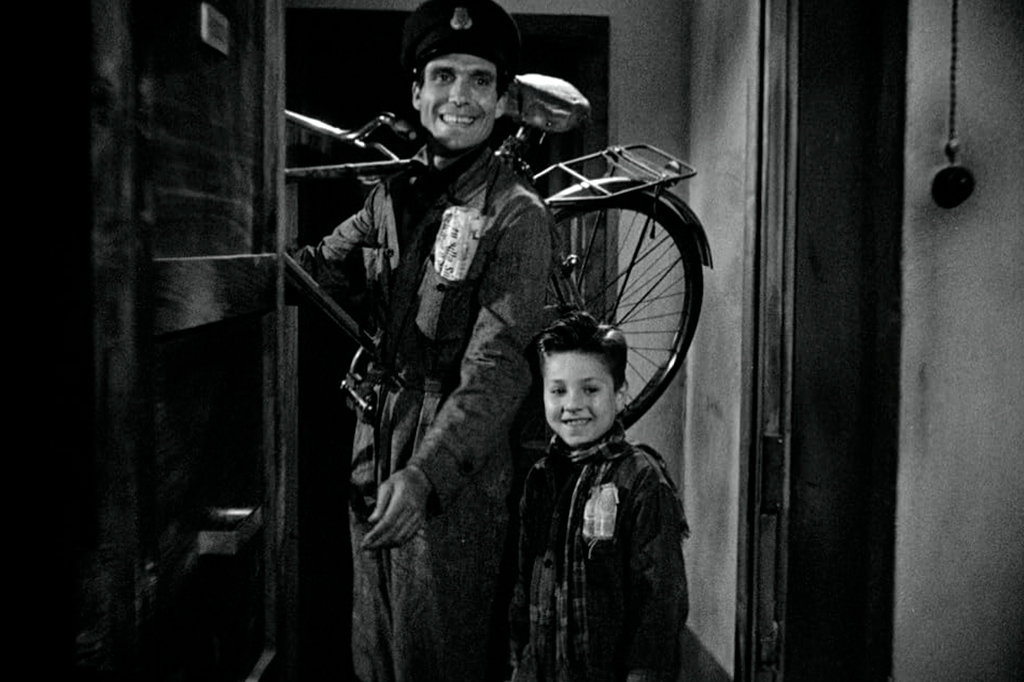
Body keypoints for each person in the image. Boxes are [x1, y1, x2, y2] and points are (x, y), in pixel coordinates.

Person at [291, 1, 553, 680]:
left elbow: (496, 370)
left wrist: (425, 474)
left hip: (451, 469)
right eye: (442, 76)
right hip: (373, 443)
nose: (458, 97)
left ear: (500, 102)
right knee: (373, 650)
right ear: (416, 92)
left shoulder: (516, 216)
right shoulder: (394, 194)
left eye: (478, 80)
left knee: (436, 657)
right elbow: (321, 262)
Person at [508, 311, 690, 682]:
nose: (572, 404)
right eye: (558, 390)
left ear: (620, 393)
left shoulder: (641, 480)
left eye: (590, 389)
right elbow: (522, 590)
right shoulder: (539, 480)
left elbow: (658, 608)